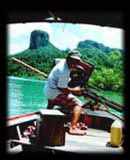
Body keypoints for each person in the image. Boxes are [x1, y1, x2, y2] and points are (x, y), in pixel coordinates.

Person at [44, 50, 93, 135]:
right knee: (78, 103)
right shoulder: (64, 72)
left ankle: (46, 117)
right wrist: (77, 90)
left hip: (48, 89)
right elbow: (63, 90)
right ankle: (73, 127)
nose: (74, 63)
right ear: (68, 58)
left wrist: (81, 63)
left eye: (77, 61)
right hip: (55, 93)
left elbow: (55, 61)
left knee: (61, 99)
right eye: (73, 60)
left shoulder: (62, 61)